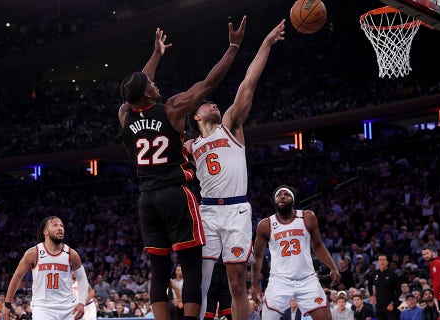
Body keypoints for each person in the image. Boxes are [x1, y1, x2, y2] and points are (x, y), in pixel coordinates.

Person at [118, 16, 246, 320]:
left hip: (146, 199)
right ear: (147, 94)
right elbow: (210, 83)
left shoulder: (125, 114)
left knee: (159, 271)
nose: (154, 82)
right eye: (150, 83)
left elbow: (134, 93)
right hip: (175, 194)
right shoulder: (172, 109)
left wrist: (156, 56)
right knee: (190, 267)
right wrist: (233, 46)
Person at [186, 19, 286, 320]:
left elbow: (248, 82)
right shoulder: (190, 145)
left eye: (214, 103)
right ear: (196, 116)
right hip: (206, 211)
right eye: (206, 105)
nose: (212, 104)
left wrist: (265, 44)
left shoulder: (230, 124)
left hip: (236, 211)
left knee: (236, 284)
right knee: (200, 283)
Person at [252, 186, 340, 320]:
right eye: (278, 195)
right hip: (279, 280)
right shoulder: (265, 225)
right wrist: (254, 284)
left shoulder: (308, 217)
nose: (281, 196)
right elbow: (257, 255)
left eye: (286, 194)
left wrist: (333, 267)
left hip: (307, 279)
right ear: (274, 201)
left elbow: (318, 245)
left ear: (293, 200)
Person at [4, 216, 89, 320]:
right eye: (55, 225)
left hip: (69, 307)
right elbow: (17, 276)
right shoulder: (33, 253)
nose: (60, 228)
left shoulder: (72, 254)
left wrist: (81, 302)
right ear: (45, 232)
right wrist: (7, 304)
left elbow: (82, 278)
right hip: (43, 308)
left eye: (61, 225)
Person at [368, 254, 401, 320]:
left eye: (384, 260)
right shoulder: (374, 274)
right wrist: (372, 295)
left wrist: (392, 303)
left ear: (387, 262)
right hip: (379, 305)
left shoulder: (393, 275)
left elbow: (399, 291)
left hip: (390, 305)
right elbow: (369, 285)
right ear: (378, 262)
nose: (382, 262)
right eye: (380, 260)